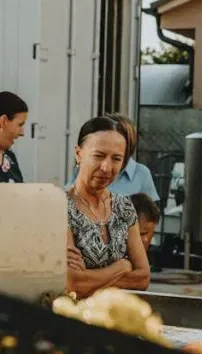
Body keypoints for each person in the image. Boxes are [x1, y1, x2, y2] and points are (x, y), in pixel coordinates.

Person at [66, 116, 151, 297]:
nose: (106, 167)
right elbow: (73, 283)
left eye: (116, 159)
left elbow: (143, 278)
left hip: (114, 315)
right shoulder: (59, 207)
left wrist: (89, 280)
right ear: (78, 154)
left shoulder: (124, 206)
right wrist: (122, 267)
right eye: (98, 156)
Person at [64, 113, 159, 201]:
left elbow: (150, 213)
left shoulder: (141, 173)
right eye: (99, 156)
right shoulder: (84, 167)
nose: (106, 168)